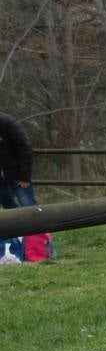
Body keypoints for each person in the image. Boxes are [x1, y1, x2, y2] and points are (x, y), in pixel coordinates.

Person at [0, 111, 36, 262]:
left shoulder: (8, 123)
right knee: (10, 211)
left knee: (30, 209)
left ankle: (39, 247)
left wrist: (25, 176)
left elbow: (25, 148)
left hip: (17, 175)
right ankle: (14, 248)